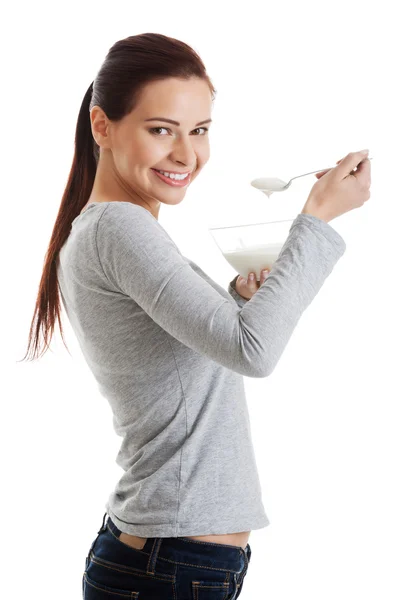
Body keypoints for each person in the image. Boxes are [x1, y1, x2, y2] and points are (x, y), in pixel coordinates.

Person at [20, 32, 371, 600]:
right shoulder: (121, 228)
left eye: (200, 130)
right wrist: (320, 217)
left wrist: (233, 295)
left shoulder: (110, 229)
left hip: (168, 559)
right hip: (170, 564)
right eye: (162, 130)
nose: (186, 154)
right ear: (102, 126)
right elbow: (251, 352)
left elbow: (186, 353)